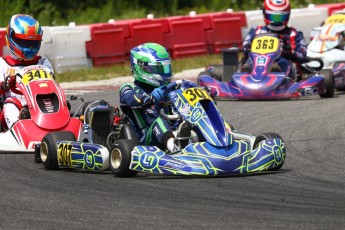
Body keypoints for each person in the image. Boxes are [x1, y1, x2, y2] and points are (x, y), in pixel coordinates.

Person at [119, 42, 196, 154]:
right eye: (158, 69)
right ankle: (175, 149)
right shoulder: (128, 88)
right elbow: (130, 99)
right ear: (141, 66)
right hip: (146, 139)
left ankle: (222, 139)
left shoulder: (168, 89)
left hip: (172, 130)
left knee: (193, 116)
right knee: (160, 121)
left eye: (164, 68)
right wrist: (149, 99)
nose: (163, 73)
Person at [0, 14, 54, 130]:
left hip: (40, 106)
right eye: (24, 43)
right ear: (11, 37)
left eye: (33, 44)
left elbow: (51, 86)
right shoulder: (2, 64)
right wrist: (6, 84)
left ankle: (59, 119)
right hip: (11, 112)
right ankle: (17, 128)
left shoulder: (43, 63)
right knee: (11, 102)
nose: (29, 48)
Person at [242, 0, 307, 79]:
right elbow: (245, 46)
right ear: (265, 14)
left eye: (280, 17)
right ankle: (246, 75)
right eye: (273, 17)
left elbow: (302, 56)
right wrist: (248, 47)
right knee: (250, 62)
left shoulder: (294, 33)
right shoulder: (256, 31)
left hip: (285, 64)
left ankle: (276, 74)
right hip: (258, 61)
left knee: (282, 62)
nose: (277, 21)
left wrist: (288, 52)